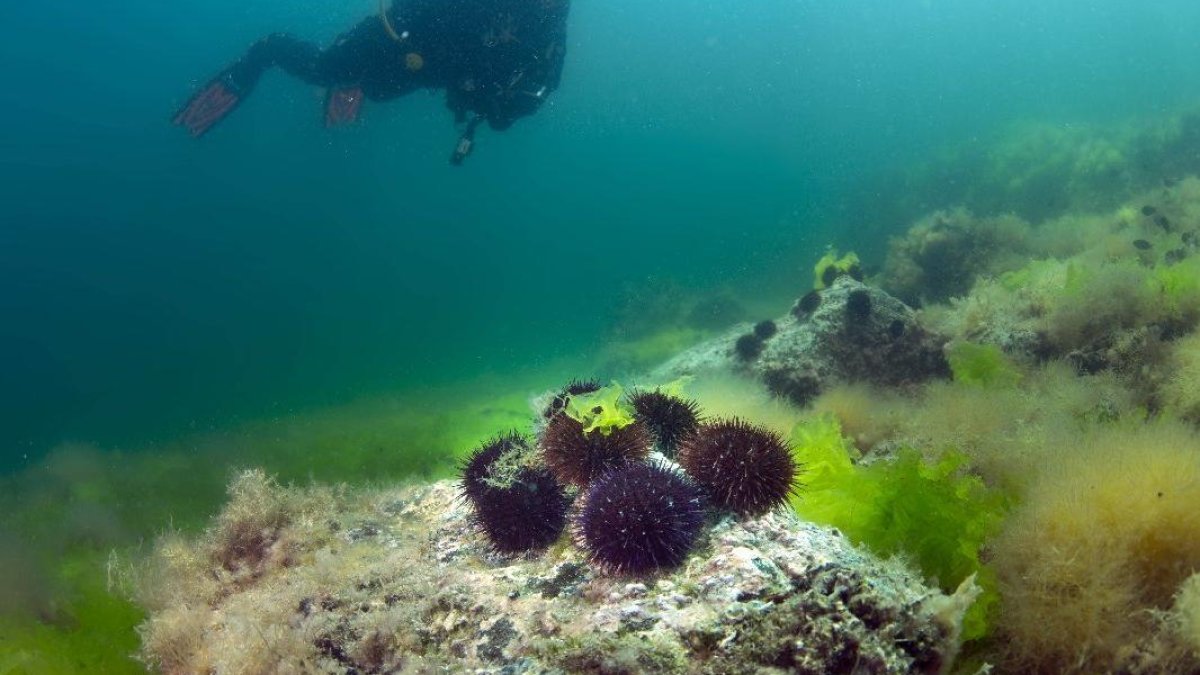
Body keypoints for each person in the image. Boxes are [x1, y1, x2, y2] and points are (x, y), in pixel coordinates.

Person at [173, 0, 570, 164]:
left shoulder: (550, 21)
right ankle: (265, 51)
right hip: (396, 36)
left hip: (433, 70)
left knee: (377, 91)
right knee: (327, 69)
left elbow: (544, 82)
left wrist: (506, 105)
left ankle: (357, 84)